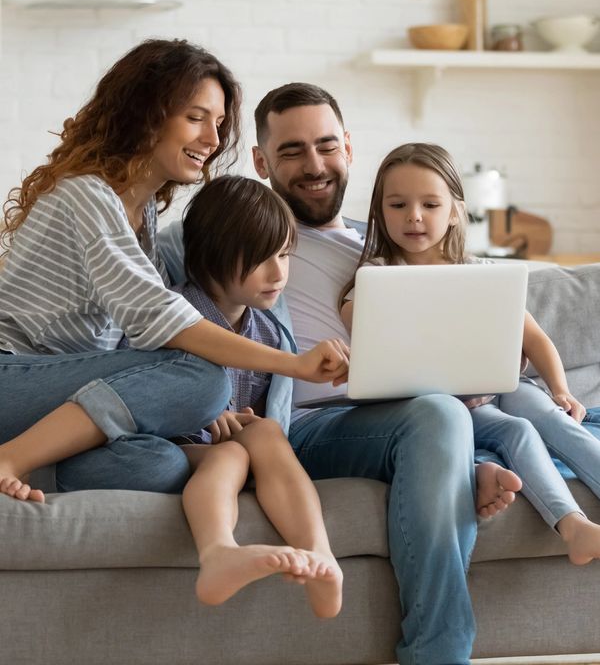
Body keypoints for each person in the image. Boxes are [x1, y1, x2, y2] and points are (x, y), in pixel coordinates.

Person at [157, 82, 523, 665]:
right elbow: (152, 295)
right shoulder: (240, 233)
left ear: (348, 147)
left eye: (326, 146)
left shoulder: (387, 241)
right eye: (293, 151)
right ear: (260, 161)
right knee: (438, 415)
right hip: (295, 425)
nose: (315, 165)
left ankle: (463, 467)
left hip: (391, 413)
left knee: (447, 411)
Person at [0, 42, 348, 504]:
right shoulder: (86, 197)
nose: (213, 139)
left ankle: (46, 458)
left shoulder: (141, 214)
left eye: (219, 123)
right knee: (202, 379)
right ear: (145, 114)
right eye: (196, 117)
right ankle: (11, 458)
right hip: (14, 376)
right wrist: (295, 363)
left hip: (63, 395)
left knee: (158, 464)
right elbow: (161, 321)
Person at [339, 141, 600, 566]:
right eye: (398, 204)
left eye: (430, 203)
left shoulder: (481, 274)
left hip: (503, 386)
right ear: (380, 212)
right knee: (517, 433)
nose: (414, 216)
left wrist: (561, 389)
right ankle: (574, 526)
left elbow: (536, 341)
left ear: (456, 210)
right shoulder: (377, 279)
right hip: (451, 406)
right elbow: (371, 343)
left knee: (547, 415)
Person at [166, 174, 343, 616]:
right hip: (179, 446)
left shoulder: (268, 330)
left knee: (264, 436)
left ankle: (321, 556)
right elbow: (144, 390)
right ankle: (219, 552)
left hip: (241, 444)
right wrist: (203, 415)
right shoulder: (173, 314)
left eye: (284, 254)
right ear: (212, 257)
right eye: (261, 259)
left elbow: (265, 410)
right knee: (233, 456)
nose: (279, 272)